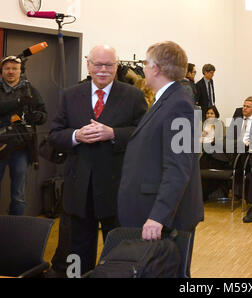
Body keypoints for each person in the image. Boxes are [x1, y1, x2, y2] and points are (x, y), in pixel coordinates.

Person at [48, 45, 147, 275]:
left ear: (117, 66)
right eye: (98, 64)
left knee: (120, 250)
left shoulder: (133, 96)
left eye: (109, 65)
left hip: (117, 188)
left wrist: (114, 133)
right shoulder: (70, 95)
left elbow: (144, 134)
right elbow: (54, 134)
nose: (103, 70)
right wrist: (76, 135)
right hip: (79, 190)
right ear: (88, 65)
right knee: (77, 253)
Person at [117, 41, 204, 278]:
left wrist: (158, 215)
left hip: (166, 217)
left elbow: (179, 167)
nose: (143, 69)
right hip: (154, 209)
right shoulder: (166, 100)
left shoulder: (180, 106)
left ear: (156, 68)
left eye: (145, 63)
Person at [0, 55, 47, 215]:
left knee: (19, 195)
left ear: (20, 71)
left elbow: (43, 113)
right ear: (2, 70)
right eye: (7, 68)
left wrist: (39, 117)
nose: (11, 71)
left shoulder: (30, 89)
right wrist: (19, 101)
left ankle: (15, 231)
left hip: (20, 149)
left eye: (14, 68)